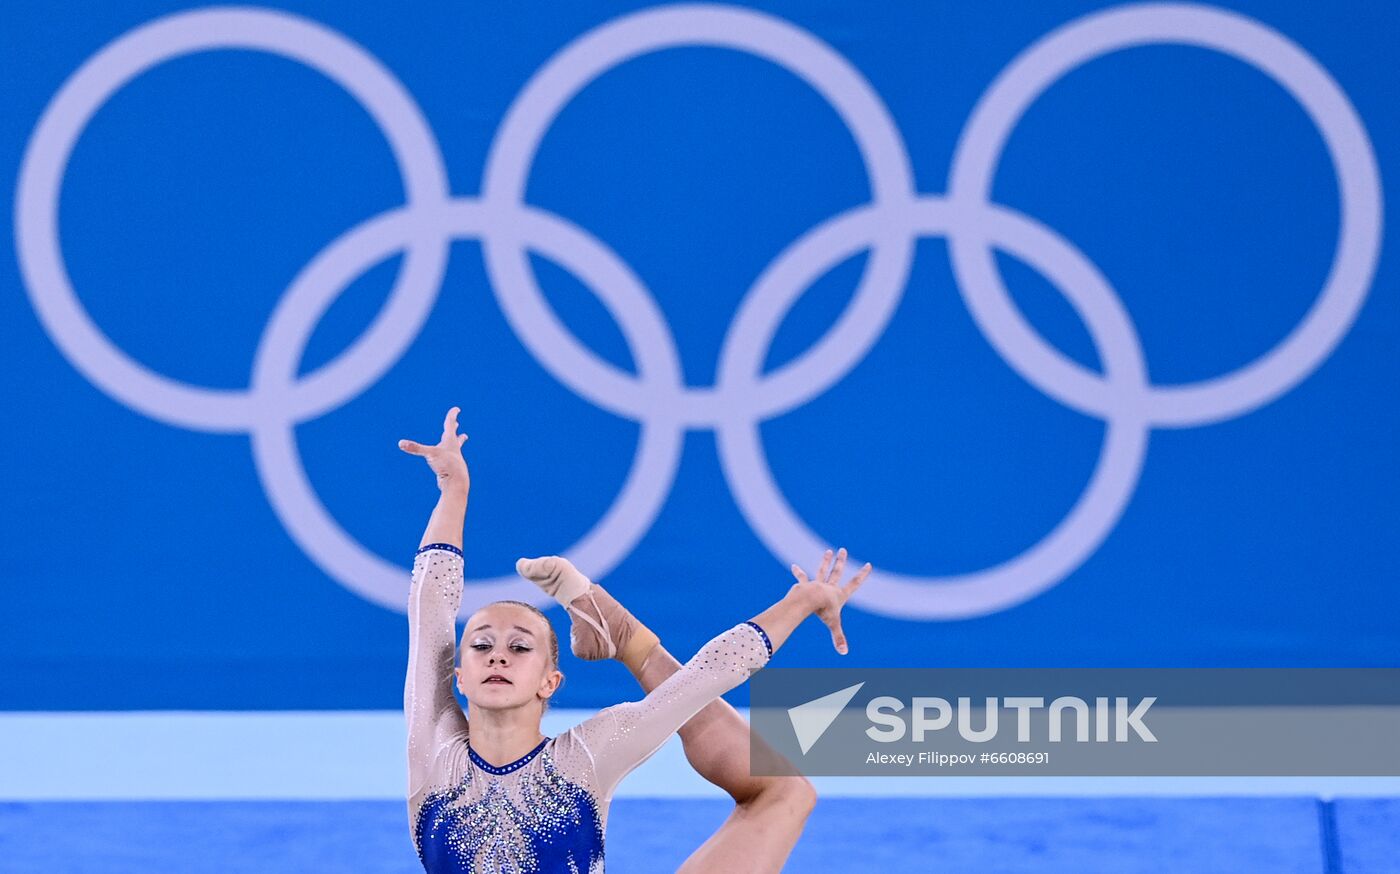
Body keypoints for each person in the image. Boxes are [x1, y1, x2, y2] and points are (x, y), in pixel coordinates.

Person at [398, 406, 870, 873]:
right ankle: (622, 635)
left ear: (550, 681)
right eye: (481, 645)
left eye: (519, 647)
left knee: (782, 791)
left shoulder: (584, 757)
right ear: (458, 676)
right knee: (783, 791)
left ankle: (623, 634)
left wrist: (802, 601)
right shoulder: (433, 746)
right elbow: (430, 610)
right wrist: (454, 491)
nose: (498, 654)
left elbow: (708, 676)